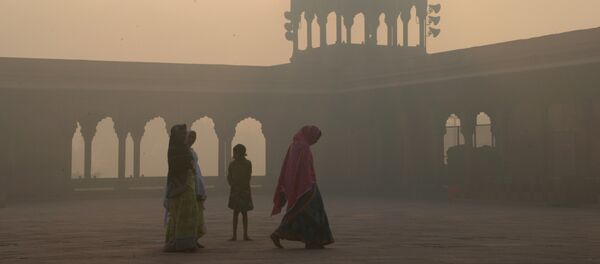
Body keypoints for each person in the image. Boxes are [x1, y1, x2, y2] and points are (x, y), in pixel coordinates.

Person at [270, 125, 334, 249]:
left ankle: (310, 240)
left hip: (298, 186)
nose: (316, 141)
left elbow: (288, 168)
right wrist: (308, 185)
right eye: (316, 138)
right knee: (313, 212)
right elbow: (305, 169)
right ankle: (311, 239)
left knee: (301, 213)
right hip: (307, 186)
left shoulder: (294, 146)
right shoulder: (304, 148)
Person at [163, 124, 199, 252]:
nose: (184, 136)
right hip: (178, 185)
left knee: (190, 213)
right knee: (178, 215)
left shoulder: (184, 148)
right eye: (181, 134)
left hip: (187, 184)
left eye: (185, 134)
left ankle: (187, 242)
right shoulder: (174, 149)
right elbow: (177, 167)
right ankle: (178, 242)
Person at [227, 144, 253, 241]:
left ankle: (245, 234)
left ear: (241, 153)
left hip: (243, 190)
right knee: (236, 213)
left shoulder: (247, 163)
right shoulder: (232, 164)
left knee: (244, 213)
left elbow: (248, 176)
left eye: (237, 152)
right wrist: (232, 184)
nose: (235, 155)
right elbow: (229, 177)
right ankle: (234, 235)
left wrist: (239, 185)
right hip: (236, 190)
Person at [187, 131, 207, 248]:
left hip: (196, 182)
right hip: (189, 184)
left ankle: (194, 238)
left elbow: (196, 169)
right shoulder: (183, 151)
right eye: (190, 137)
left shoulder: (191, 151)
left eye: (194, 137)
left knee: (197, 213)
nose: (192, 139)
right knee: (190, 213)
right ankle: (188, 239)